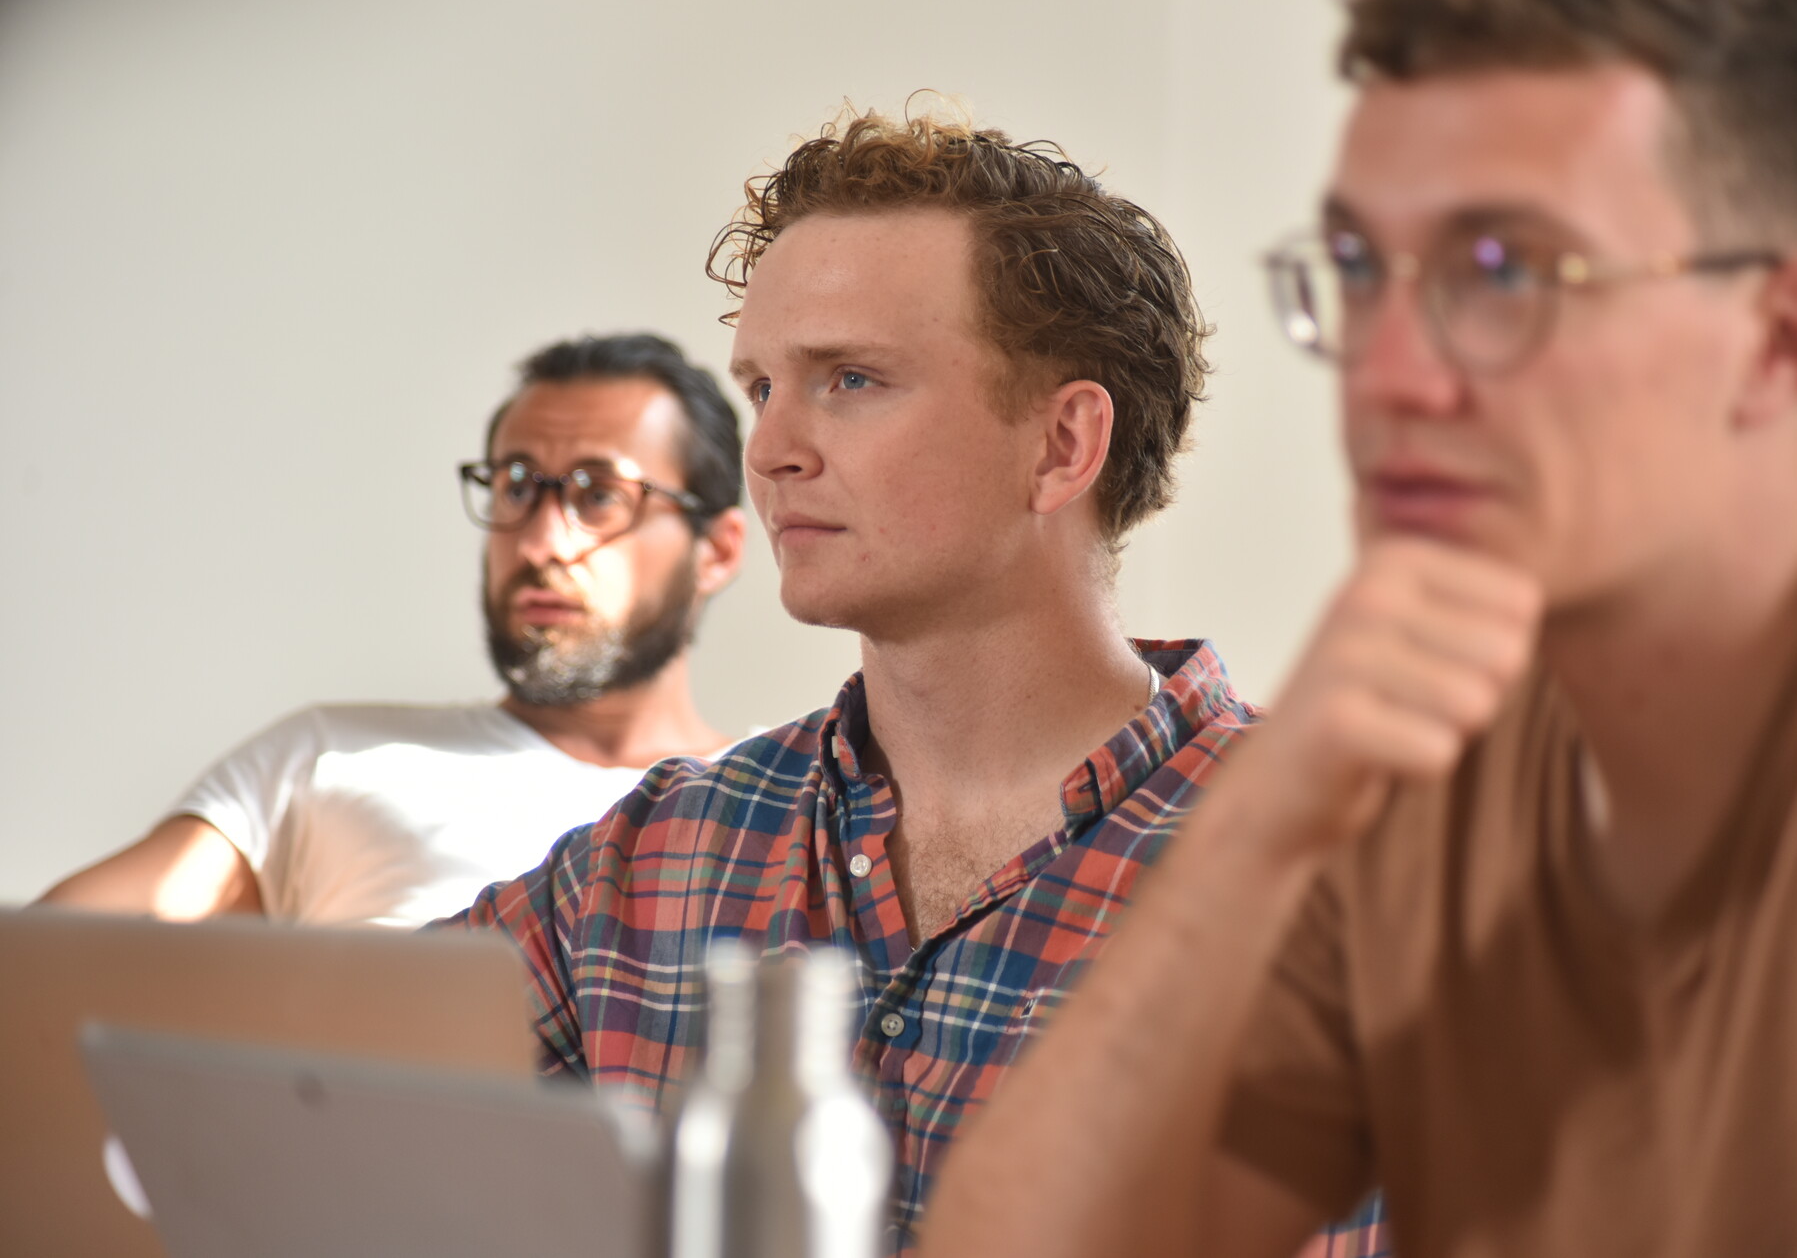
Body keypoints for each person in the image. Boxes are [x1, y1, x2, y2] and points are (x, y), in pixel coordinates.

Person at [922, 0, 1797, 1256]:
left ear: (1777, 343)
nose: (1389, 376)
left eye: (1504, 275)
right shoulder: (1428, 755)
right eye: (1361, 270)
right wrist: (1249, 829)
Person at [446, 110, 1256, 1253]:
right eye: (762, 386)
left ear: (1063, 446)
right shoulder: (658, 859)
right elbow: (296, 1079)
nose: (771, 447)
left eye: (853, 379)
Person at [37, 333, 749, 927]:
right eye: (517, 484)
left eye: (599, 495)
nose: (540, 543)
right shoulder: (332, 762)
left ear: (715, 550)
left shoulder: (787, 806)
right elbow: (48, 968)